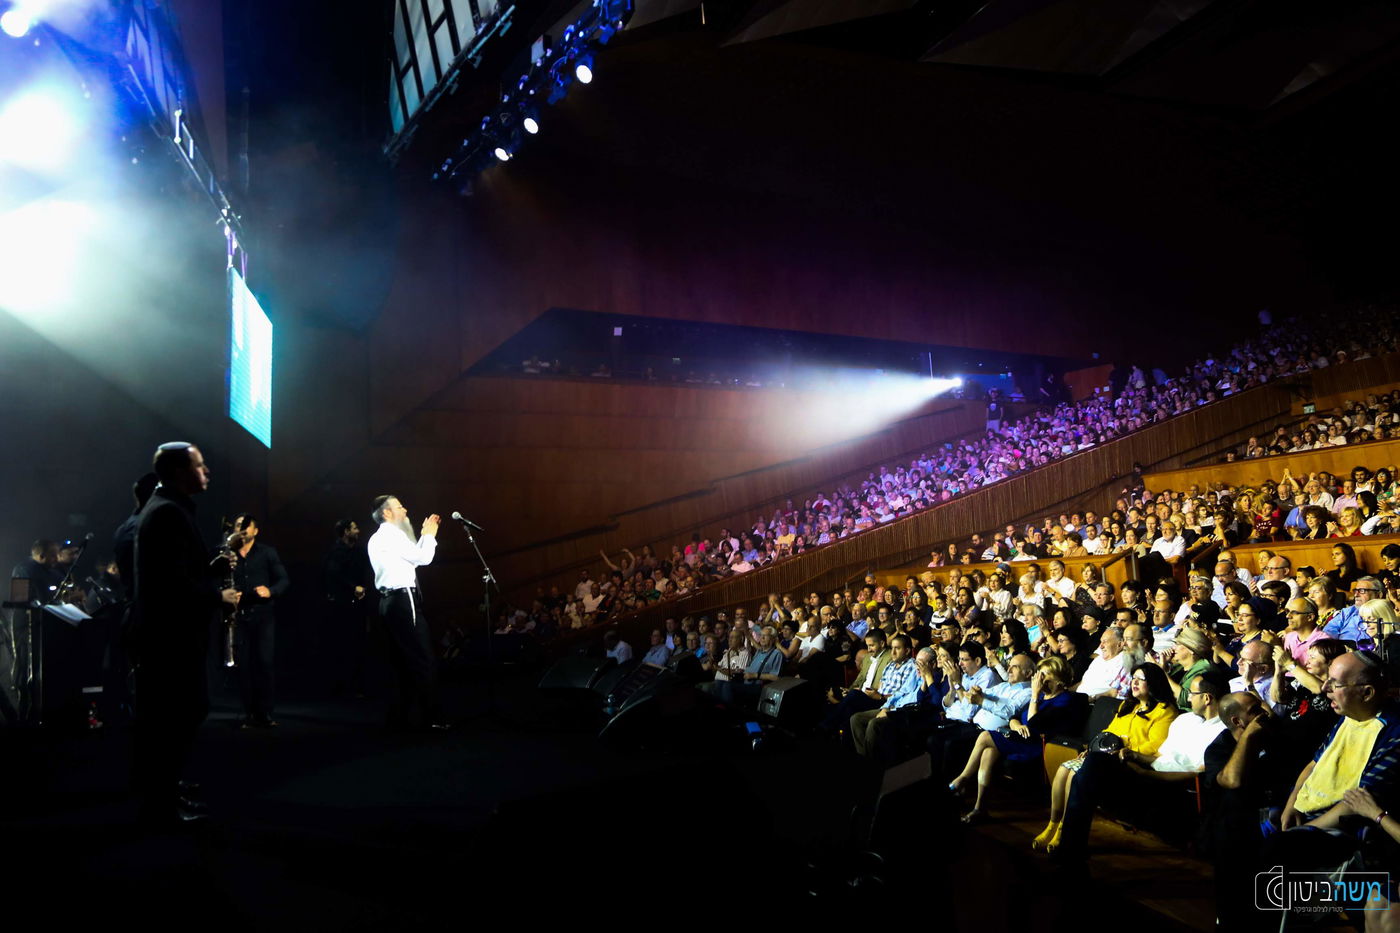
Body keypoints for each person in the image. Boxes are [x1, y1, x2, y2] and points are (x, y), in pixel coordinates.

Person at [131, 442, 240, 826]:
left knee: (177, 716)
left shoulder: (167, 510)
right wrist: (218, 593)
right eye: (200, 465)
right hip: (172, 639)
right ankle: (161, 804)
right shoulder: (168, 514)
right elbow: (171, 585)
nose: (207, 471)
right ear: (179, 472)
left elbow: (176, 574)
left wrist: (209, 568)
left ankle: (166, 795)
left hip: (170, 636)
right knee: (176, 717)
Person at [1031, 663, 1177, 853]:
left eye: (1141, 679)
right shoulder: (1127, 705)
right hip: (1104, 756)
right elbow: (1109, 731)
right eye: (1134, 678)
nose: (1135, 683)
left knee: (1075, 776)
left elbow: (1154, 746)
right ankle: (1053, 824)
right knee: (1063, 770)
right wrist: (1093, 747)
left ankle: (1064, 829)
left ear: (1154, 683)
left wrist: (1125, 750)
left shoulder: (1165, 711)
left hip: (1128, 761)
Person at [948, 656, 1086, 824]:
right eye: (1039, 674)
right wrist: (1016, 726)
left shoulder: (1065, 700)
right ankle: (980, 808)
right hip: (1022, 739)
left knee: (985, 736)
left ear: (1058, 680)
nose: (1039, 679)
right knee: (988, 752)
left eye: (1045, 674)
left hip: (1038, 746)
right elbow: (1015, 717)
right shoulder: (1043, 697)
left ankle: (962, 778)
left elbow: (1036, 723)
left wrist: (1034, 694)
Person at [366, 495, 447, 732]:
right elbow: (424, 558)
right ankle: (433, 717)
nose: (405, 509)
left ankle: (399, 717)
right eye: (399, 506)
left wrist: (423, 536)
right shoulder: (393, 535)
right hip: (403, 599)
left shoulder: (376, 538)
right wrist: (430, 534)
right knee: (423, 658)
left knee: (399, 661)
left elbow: (413, 560)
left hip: (387, 602)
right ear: (386, 513)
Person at [229, 514, 289, 728]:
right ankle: (248, 713)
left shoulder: (267, 553)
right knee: (243, 665)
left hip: (263, 615)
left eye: (246, 526)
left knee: (264, 663)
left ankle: (265, 713)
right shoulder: (227, 553)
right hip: (238, 616)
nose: (242, 529)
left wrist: (270, 591)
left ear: (255, 531)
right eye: (238, 525)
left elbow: (284, 580)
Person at [323, 518, 375, 697]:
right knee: (342, 644)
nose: (358, 531)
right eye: (354, 528)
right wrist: (353, 587)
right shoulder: (336, 552)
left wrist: (362, 589)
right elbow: (334, 575)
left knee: (359, 643)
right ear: (346, 531)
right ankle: (342, 685)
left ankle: (358, 685)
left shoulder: (359, 552)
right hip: (342, 605)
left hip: (359, 603)